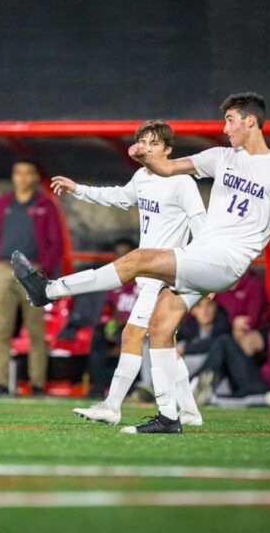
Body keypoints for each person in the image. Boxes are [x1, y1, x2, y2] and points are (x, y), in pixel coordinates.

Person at [13, 92, 270, 433]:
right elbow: (167, 167)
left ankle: (49, 291)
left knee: (138, 261)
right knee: (160, 327)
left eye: (230, 120)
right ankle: (171, 416)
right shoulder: (220, 157)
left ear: (250, 121)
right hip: (201, 257)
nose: (225, 127)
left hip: (225, 260)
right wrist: (142, 156)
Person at [51, 120, 207, 425]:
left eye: (155, 143)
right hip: (148, 273)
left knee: (132, 334)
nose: (147, 147)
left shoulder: (182, 181)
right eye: (143, 142)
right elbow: (118, 197)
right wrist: (77, 189)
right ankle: (189, 412)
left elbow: (200, 225)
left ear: (169, 149)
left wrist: (204, 268)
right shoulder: (142, 177)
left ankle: (112, 406)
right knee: (166, 343)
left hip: (167, 272)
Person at [0, 159, 63, 396]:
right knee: (2, 330)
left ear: (36, 177)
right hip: (4, 271)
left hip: (33, 271)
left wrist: (43, 269)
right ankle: (1, 383)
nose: (23, 178)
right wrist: (0, 248)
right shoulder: (4, 202)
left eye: (28, 173)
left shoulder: (46, 204)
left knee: (36, 331)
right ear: (13, 177)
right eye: (18, 173)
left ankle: (37, 384)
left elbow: (57, 243)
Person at [86, 239, 139, 399]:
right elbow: (108, 311)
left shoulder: (143, 281)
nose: (121, 258)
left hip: (137, 327)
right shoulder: (111, 282)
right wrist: (111, 327)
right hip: (116, 328)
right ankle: (98, 388)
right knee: (98, 336)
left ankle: (130, 389)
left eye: (126, 254)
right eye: (118, 255)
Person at [215, 269, 270, 356]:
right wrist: (233, 322)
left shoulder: (253, 282)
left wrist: (234, 326)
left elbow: (252, 321)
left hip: (261, 328)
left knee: (245, 342)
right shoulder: (216, 284)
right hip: (227, 329)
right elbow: (209, 310)